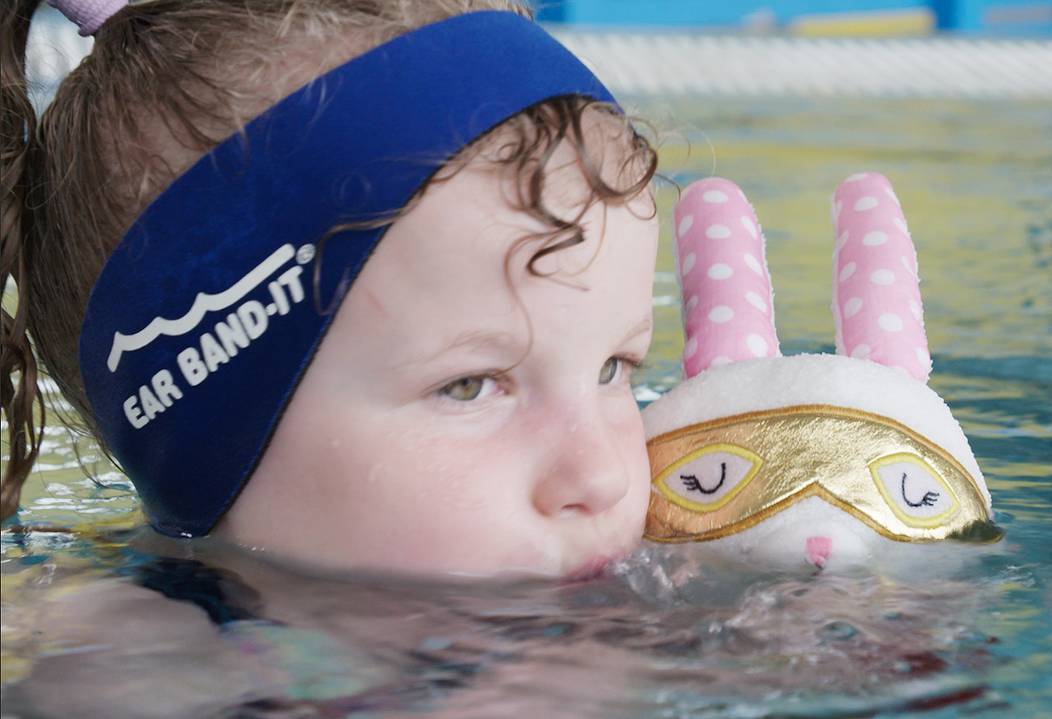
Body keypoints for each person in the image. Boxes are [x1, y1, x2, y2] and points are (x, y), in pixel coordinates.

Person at [0, 0, 661, 578]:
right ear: (213, 448)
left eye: (613, 367)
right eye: (470, 384)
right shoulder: (137, 672)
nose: (605, 477)